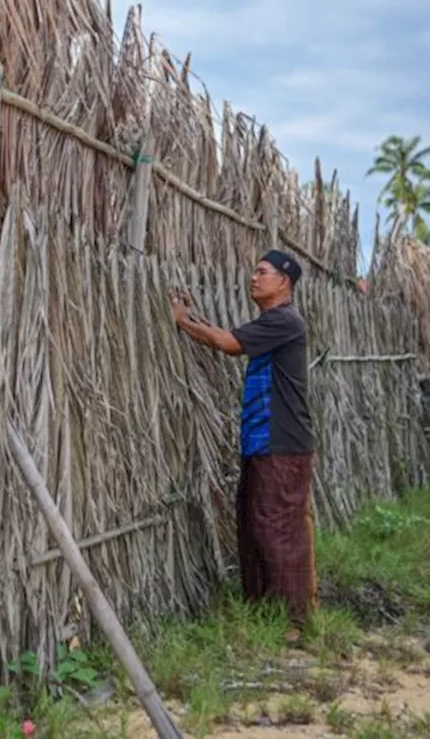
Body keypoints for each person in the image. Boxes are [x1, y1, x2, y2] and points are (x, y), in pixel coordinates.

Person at [169, 250, 317, 636]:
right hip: (262, 440)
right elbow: (229, 335)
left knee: (278, 527)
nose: (253, 278)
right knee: (255, 523)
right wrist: (192, 317)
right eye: (254, 271)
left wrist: (184, 323)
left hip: (282, 443)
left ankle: (294, 620)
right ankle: (265, 606)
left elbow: (229, 343)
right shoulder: (271, 324)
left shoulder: (285, 320)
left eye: (262, 272)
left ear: (284, 281)